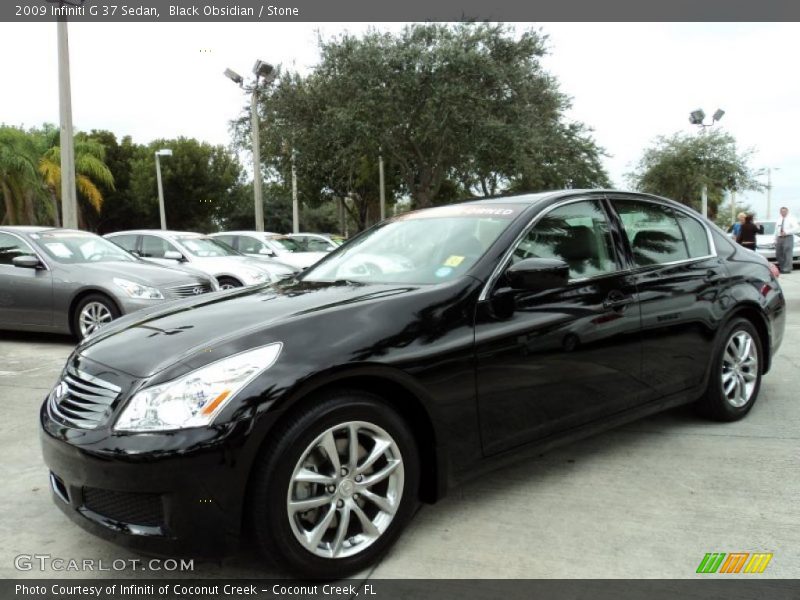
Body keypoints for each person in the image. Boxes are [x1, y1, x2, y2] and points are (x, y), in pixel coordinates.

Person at [774, 206, 799, 274]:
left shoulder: (791, 219)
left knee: (787, 253)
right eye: (781, 211)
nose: (783, 212)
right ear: (780, 212)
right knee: (778, 254)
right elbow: (776, 230)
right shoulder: (779, 219)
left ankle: (787, 269)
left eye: (784, 211)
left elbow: (796, 228)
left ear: (787, 211)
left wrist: (787, 232)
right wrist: (775, 239)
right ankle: (782, 268)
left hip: (788, 237)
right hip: (779, 237)